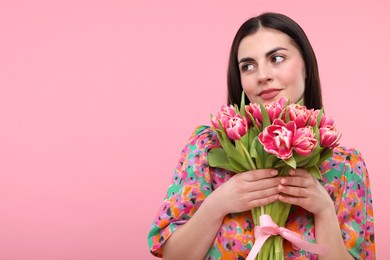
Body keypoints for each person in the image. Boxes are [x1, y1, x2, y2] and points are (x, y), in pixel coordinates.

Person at [147, 12, 375, 259]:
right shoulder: (208, 147)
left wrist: (324, 211)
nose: (262, 75)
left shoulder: (345, 166)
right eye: (248, 66)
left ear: (307, 67)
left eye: (277, 58)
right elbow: (173, 256)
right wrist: (218, 204)